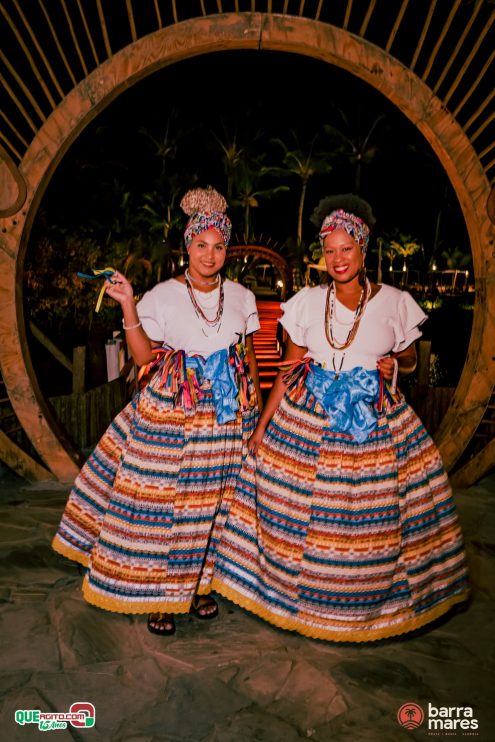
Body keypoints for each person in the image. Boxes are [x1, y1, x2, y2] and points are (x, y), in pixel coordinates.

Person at [212, 194, 469, 642]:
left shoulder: (395, 301)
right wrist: (262, 428)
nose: (337, 258)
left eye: (346, 248)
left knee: (376, 520)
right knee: (302, 514)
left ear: (363, 250)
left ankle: (371, 609)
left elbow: (408, 360)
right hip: (308, 415)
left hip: (374, 419)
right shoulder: (308, 302)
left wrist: (395, 366)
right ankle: (304, 604)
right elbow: (289, 369)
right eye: (329, 250)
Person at [52, 187, 262, 636]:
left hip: (225, 417)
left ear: (228, 249)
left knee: (214, 505)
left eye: (218, 245)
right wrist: (128, 303)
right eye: (201, 244)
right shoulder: (164, 295)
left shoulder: (242, 298)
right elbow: (145, 355)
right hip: (173, 412)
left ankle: (199, 586)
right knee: (163, 505)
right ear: (187, 246)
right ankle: (160, 595)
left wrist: (255, 408)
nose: (209, 254)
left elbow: (248, 359)